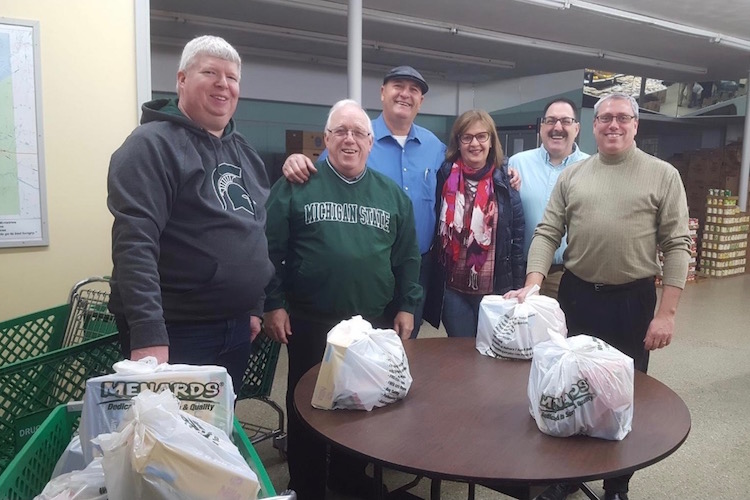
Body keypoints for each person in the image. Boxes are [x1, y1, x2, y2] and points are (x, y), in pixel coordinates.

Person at [506, 92, 692, 500]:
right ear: (593, 126)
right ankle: (566, 475)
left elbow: (678, 245)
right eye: (605, 117)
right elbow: (548, 231)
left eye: (622, 118)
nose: (613, 124)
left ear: (636, 124)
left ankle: (616, 484)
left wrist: (667, 314)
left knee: (622, 393)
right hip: (577, 297)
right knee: (570, 388)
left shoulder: (662, 175)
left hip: (632, 301)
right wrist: (534, 284)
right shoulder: (574, 176)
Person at [281, 66, 521, 337]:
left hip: (417, 268)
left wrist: (507, 170)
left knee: (402, 349)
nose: (405, 94)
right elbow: (320, 178)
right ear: (383, 93)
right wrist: (296, 160)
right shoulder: (356, 135)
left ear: (421, 101)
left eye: (414, 90)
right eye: (398, 86)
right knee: (349, 346)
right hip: (364, 269)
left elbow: (471, 167)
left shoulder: (435, 148)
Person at [264, 99, 422, 500]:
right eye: (340, 132)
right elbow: (269, 250)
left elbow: (406, 257)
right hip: (310, 318)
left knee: (363, 403)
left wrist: (407, 305)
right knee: (308, 405)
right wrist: (273, 302)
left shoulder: (391, 195)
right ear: (327, 139)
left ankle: (350, 477)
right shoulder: (297, 186)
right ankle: (307, 482)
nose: (350, 139)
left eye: (358, 133)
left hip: (372, 322)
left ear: (371, 142)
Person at [107, 35, 274, 393]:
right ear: (181, 80)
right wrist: (149, 333)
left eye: (232, 77)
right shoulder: (151, 145)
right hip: (177, 330)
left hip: (236, 325)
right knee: (171, 441)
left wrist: (254, 304)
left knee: (217, 428)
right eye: (210, 72)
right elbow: (134, 243)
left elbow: (256, 229)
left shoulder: (243, 149)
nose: (223, 84)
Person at [422, 110, 525, 338]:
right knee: (460, 356)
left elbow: (517, 237)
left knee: (493, 357)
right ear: (458, 142)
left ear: (491, 141)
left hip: (494, 292)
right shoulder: (444, 176)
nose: (474, 143)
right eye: (466, 137)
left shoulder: (505, 181)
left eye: (481, 136)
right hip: (452, 290)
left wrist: (517, 288)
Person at [508, 98, 589, 299]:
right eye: (551, 121)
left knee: (564, 330)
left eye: (565, 121)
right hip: (521, 271)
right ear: (541, 127)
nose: (557, 127)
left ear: (577, 128)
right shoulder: (518, 163)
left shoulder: (591, 168)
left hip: (568, 276)